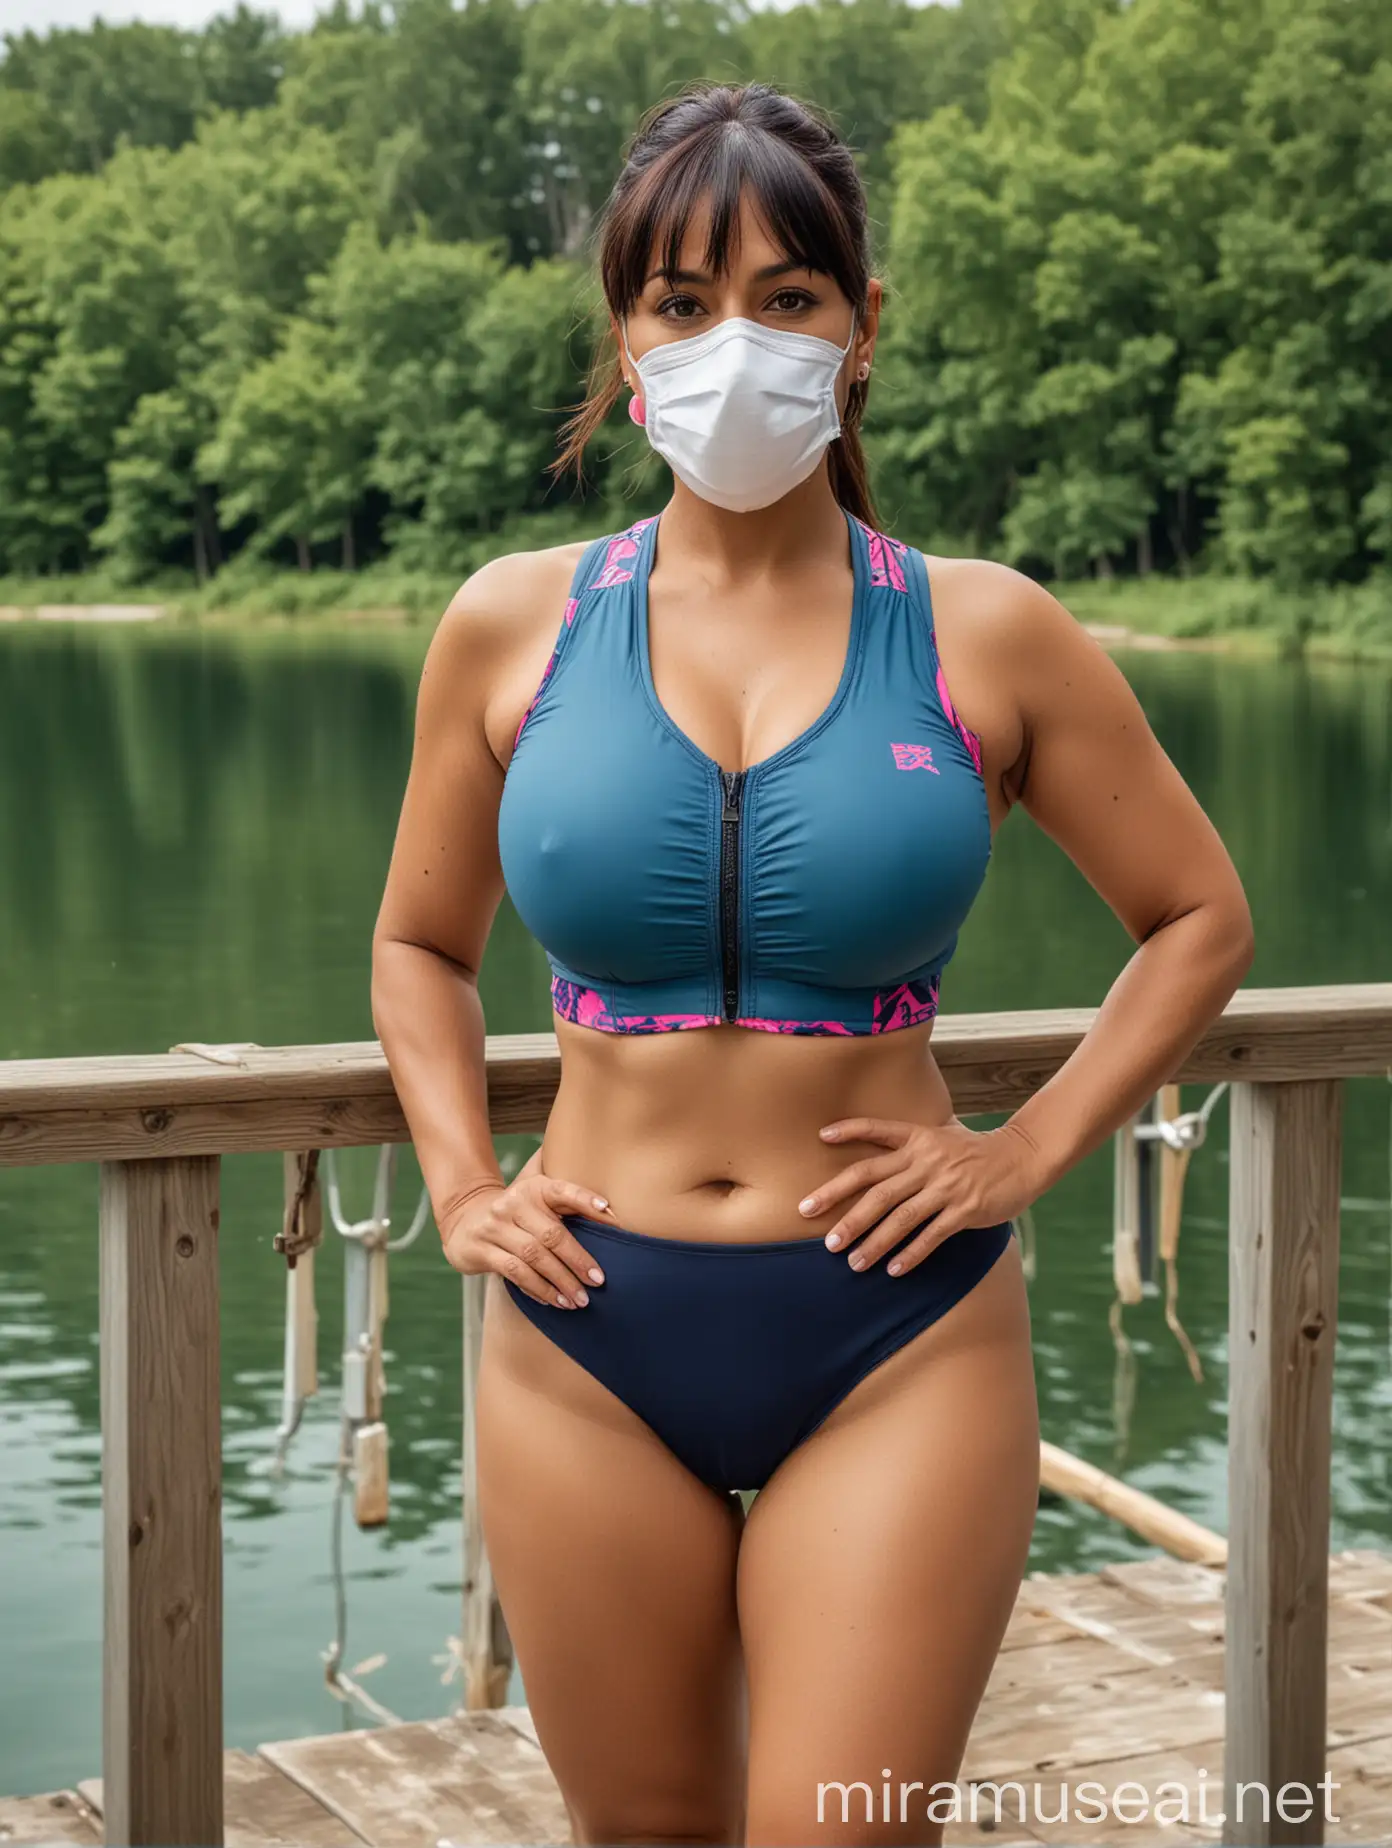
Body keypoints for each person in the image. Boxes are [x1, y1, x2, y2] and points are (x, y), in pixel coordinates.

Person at [371, 82, 1253, 1848]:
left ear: (859, 334)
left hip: (898, 1338)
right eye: (682, 303)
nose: (732, 345)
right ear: (626, 343)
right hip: (581, 1335)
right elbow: (415, 943)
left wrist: (1027, 1149)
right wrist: (462, 1186)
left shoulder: (985, 627)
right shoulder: (510, 622)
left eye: (787, 297)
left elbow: (1200, 918)